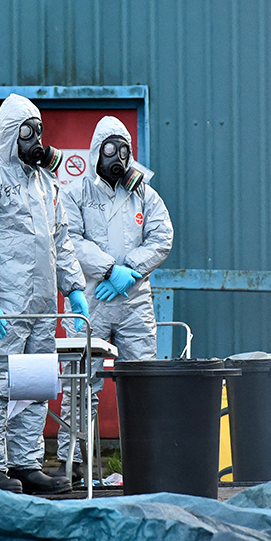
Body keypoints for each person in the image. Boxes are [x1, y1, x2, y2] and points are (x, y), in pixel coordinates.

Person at [0, 93, 89, 495]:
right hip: (5, 305)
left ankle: (26, 463)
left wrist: (76, 286)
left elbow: (61, 242)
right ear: (10, 134)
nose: (35, 140)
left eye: (38, 131)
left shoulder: (48, 185)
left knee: (35, 387)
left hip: (44, 306)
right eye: (27, 132)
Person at [54, 116, 174, 482]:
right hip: (90, 299)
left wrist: (129, 273)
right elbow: (70, 239)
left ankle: (146, 459)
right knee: (79, 382)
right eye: (110, 149)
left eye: (124, 149)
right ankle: (71, 462)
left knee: (142, 382)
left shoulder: (145, 195)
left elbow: (162, 238)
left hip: (134, 301)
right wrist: (109, 271)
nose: (117, 156)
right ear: (96, 151)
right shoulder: (76, 194)